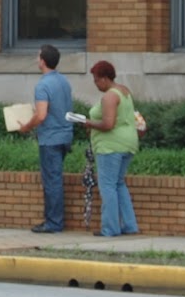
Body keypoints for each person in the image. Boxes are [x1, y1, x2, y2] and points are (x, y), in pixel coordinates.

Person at [79, 60, 140, 237]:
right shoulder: (125, 91)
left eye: (96, 80)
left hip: (110, 147)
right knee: (119, 184)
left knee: (107, 186)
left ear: (105, 79)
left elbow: (108, 124)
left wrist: (88, 122)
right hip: (128, 143)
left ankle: (110, 228)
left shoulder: (109, 97)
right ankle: (130, 225)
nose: (96, 84)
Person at [17, 44, 73, 234]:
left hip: (50, 138)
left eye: (38, 56)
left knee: (52, 182)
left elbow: (41, 116)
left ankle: (53, 222)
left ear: (42, 61)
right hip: (65, 135)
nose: (36, 59)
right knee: (54, 179)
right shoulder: (64, 81)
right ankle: (54, 221)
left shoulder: (43, 85)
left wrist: (26, 126)